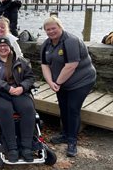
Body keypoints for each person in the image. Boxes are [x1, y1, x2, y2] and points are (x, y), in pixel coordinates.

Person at [40, 16, 96, 157]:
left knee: (72, 109)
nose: (51, 31)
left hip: (81, 80)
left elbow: (71, 65)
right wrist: (50, 82)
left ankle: (72, 141)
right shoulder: (46, 44)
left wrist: (57, 82)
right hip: (62, 82)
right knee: (63, 107)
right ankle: (65, 134)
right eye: (48, 29)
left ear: (60, 27)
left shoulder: (70, 41)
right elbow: (44, 64)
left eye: (54, 28)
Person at [0, 37, 36, 162]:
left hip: (18, 92)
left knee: (28, 108)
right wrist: (6, 87)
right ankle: (12, 147)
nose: (3, 48)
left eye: (5, 46)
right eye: (0, 46)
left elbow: (30, 77)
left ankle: (26, 147)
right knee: (5, 109)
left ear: (10, 47)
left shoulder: (20, 61)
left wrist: (22, 87)